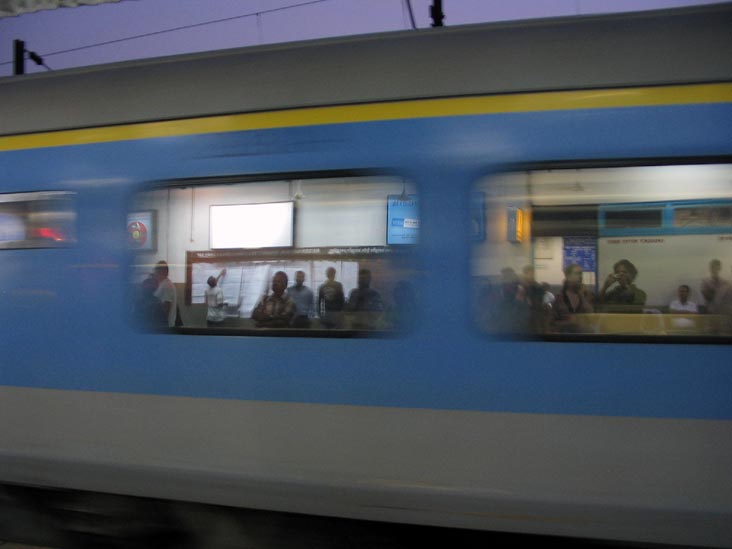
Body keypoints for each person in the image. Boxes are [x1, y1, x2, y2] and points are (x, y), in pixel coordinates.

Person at [552, 264, 594, 332]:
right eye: (577, 273)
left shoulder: (584, 296)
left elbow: (591, 315)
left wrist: (582, 295)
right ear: (568, 277)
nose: (580, 277)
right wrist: (568, 323)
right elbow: (552, 323)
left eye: (581, 274)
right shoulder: (560, 299)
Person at [153, 260, 177, 328]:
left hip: (164, 325)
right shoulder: (162, 284)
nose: (154, 273)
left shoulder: (166, 285)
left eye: (155, 271)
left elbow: (166, 308)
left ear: (160, 271)